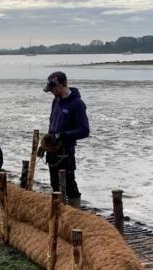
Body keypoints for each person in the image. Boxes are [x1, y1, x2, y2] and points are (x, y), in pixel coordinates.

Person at [40, 71, 89, 206]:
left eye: (53, 89)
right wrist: (43, 146)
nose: (52, 92)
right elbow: (52, 126)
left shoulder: (77, 104)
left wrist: (62, 135)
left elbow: (84, 131)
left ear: (61, 85)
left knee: (69, 184)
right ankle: (58, 214)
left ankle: (75, 213)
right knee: (54, 184)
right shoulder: (56, 101)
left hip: (66, 152)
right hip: (52, 152)